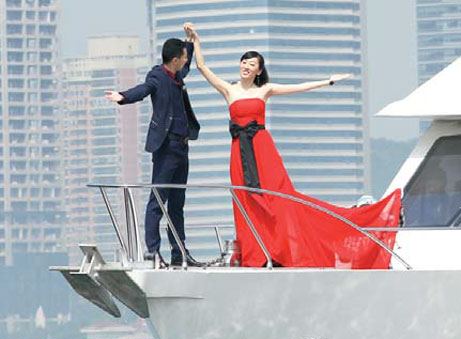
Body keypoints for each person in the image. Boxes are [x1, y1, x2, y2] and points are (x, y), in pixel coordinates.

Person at [187, 24, 402, 268]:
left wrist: (328, 81)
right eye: (244, 62)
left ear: (259, 71)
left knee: (280, 199)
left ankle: (283, 249)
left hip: (262, 149)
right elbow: (202, 67)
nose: (246, 66)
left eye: (252, 64)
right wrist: (196, 41)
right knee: (246, 199)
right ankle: (255, 253)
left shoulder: (265, 89)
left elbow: (299, 86)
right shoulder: (229, 89)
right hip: (240, 152)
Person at [105, 24, 202, 267]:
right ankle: (153, 252)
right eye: (184, 57)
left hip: (182, 146)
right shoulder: (158, 76)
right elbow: (144, 89)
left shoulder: (177, 75)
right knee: (158, 200)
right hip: (166, 147)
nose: (186, 61)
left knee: (178, 203)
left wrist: (189, 41)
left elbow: (188, 65)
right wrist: (123, 96)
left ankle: (179, 252)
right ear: (174, 59)